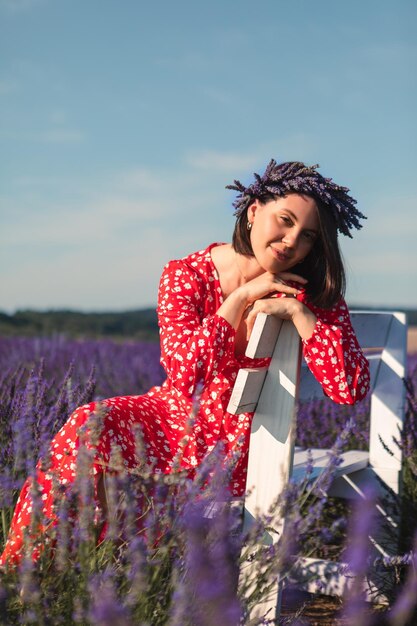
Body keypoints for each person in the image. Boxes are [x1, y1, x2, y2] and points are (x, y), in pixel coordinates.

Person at [0, 159, 370, 566]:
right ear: (253, 211)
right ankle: (31, 572)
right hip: (170, 417)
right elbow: (183, 373)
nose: (291, 241)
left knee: (124, 470)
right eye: (284, 221)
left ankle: (113, 572)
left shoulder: (309, 292)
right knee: (90, 424)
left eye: (308, 237)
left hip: (241, 442)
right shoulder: (186, 275)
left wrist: (303, 316)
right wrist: (239, 300)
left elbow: (348, 389)